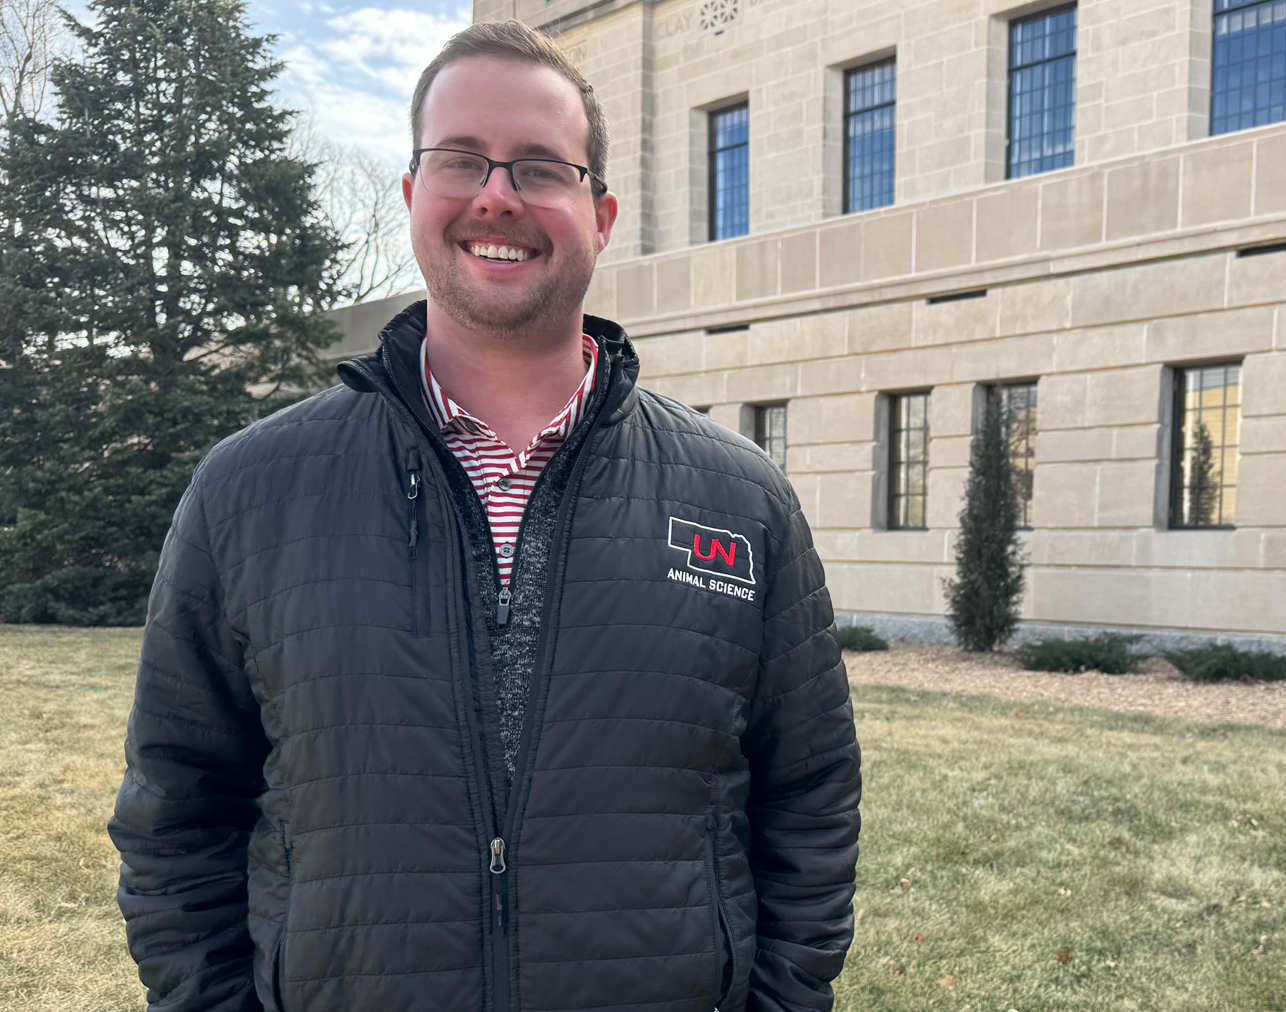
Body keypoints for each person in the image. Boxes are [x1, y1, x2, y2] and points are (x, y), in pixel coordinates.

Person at [108, 20, 860, 1012]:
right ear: (414, 193)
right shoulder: (250, 490)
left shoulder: (737, 499)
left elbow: (809, 800)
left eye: (542, 167)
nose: (498, 192)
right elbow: (177, 809)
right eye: (462, 159)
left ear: (602, 214)